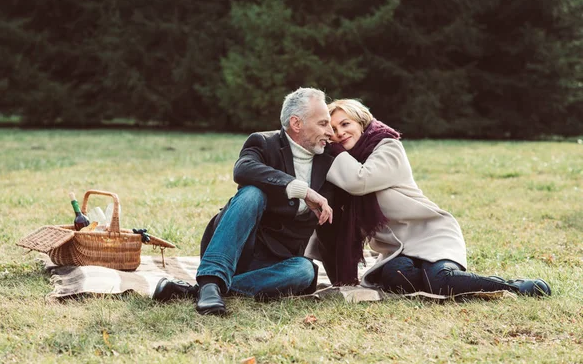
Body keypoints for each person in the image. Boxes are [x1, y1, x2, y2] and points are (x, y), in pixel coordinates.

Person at [320, 98, 551, 297]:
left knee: (440, 280)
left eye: (345, 123)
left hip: (432, 234)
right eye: (333, 129)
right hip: (399, 250)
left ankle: (513, 287)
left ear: (361, 123)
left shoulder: (387, 147)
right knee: (395, 277)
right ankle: (438, 279)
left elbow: (360, 181)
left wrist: (334, 151)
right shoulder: (345, 165)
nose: (340, 133)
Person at [154, 87, 337, 314]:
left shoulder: (329, 160)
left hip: (275, 263)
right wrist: (302, 190)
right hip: (235, 250)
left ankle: (201, 290)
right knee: (253, 192)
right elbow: (243, 169)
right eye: (323, 123)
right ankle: (211, 278)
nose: (331, 131)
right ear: (296, 123)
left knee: (305, 271)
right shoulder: (264, 142)